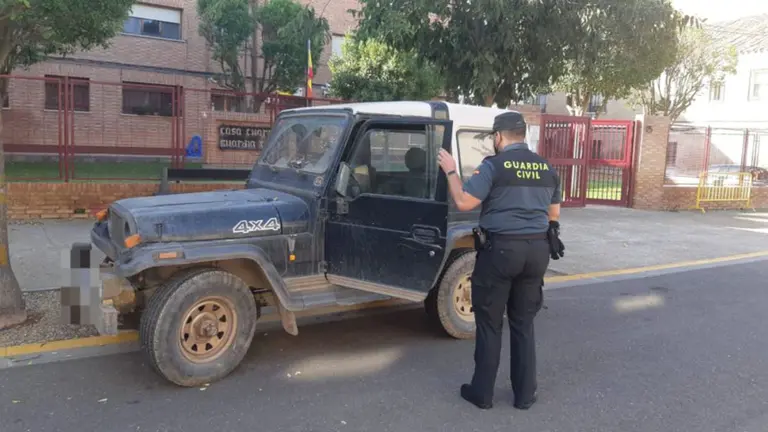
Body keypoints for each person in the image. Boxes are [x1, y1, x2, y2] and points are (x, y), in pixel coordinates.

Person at [437, 111, 565, 411]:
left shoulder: (493, 166)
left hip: (501, 252)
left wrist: (451, 171)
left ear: (498, 137)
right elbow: (554, 214)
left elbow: (464, 202)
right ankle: (525, 395)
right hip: (537, 252)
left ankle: (482, 393)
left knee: (490, 323)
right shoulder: (547, 167)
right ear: (523, 134)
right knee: (523, 323)